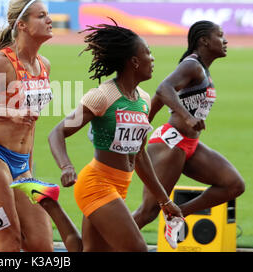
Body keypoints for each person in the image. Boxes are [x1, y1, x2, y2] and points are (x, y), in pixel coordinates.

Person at [48, 22, 183, 252]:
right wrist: (66, 166)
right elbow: (57, 132)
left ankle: (48, 202)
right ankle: (49, 204)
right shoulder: (103, 96)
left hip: (120, 185)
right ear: (134, 62)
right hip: (96, 184)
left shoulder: (143, 100)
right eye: (148, 52)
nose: (153, 58)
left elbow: (139, 156)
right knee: (137, 249)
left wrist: (164, 200)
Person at [0, 0, 69, 252]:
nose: (49, 20)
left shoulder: (44, 66)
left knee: (42, 246)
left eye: (47, 14)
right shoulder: (3, 63)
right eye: (41, 16)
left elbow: (30, 123)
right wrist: (9, 113)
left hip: (20, 163)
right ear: (22, 25)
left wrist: (28, 168)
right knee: (10, 242)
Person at [132, 20, 245, 247]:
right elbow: (164, 88)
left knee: (233, 185)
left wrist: (144, 124)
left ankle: (177, 214)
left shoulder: (202, 69)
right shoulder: (192, 65)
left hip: (189, 145)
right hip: (170, 143)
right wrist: (187, 116)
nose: (225, 41)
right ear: (204, 40)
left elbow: (158, 99)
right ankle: (99, 244)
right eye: (220, 36)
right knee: (148, 212)